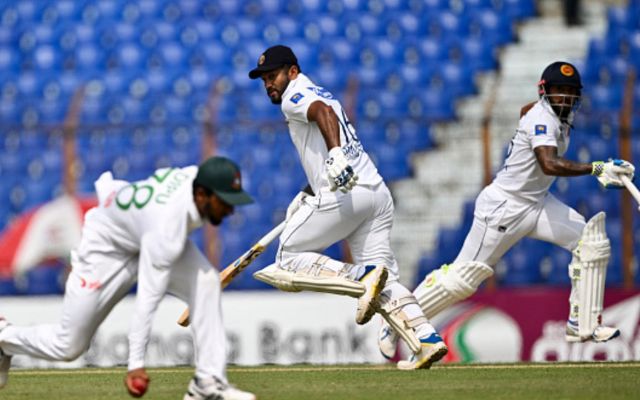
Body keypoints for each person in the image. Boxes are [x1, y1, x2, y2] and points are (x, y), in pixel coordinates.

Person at [378, 61, 635, 359]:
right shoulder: (543, 119)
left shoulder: (551, 115)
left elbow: (525, 112)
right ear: (545, 93)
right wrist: (598, 167)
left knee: (591, 242)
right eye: (558, 91)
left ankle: (583, 324)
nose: (564, 97)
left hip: (537, 203)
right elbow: (549, 164)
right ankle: (396, 319)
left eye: (569, 92)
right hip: (504, 207)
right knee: (462, 280)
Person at [247, 44, 447, 370]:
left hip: (345, 197)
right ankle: (426, 338)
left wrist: (335, 156)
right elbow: (323, 136)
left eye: (273, 76)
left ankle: (360, 275)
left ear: (292, 72)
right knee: (386, 283)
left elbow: (322, 115)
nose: (269, 84)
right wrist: (307, 192)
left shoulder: (294, 96)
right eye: (264, 79)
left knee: (285, 259)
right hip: (375, 194)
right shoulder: (314, 90)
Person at [0, 156, 256, 400]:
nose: (230, 210)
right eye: (224, 201)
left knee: (206, 283)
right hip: (106, 249)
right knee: (68, 347)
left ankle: (207, 383)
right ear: (201, 195)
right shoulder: (167, 227)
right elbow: (147, 298)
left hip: (141, 233)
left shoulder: (194, 180)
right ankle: (5, 338)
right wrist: (135, 365)